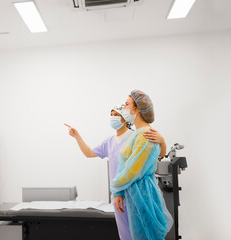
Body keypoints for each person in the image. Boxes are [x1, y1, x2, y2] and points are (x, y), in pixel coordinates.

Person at [65, 104, 167, 240]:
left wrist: (162, 142)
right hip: (118, 196)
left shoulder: (135, 136)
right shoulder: (109, 141)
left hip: (135, 193)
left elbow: (156, 154)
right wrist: (77, 136)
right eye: (111, 115)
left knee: (143, 234)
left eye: (116, 115)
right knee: (125, 235)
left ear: (125, 117)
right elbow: (89, 153)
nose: (113, 118)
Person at [111, 90, 173, 240]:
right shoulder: (136, 134)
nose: (123, 108)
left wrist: (115, 187)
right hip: (133, 193)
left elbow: (133, 170)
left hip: (143, 194)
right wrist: (118, 192)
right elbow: (124, 164)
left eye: (126, 104)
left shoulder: (146, 136)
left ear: (137, 109)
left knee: (148, 235)